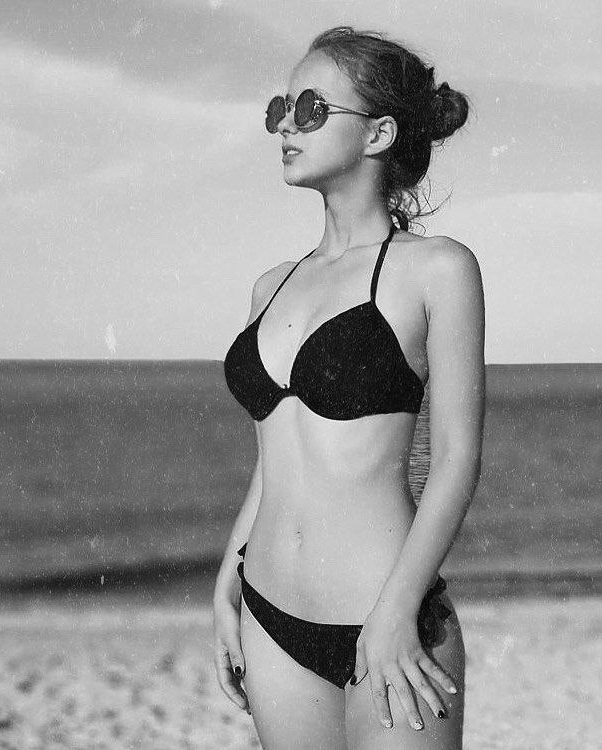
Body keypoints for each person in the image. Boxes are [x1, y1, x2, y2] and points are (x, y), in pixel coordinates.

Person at [213, 25, 485, 750]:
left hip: (386, 615)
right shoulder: (270, 285)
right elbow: (275, 457)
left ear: (378, 134)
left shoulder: (437, 269)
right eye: (280, 110)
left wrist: (397, 611)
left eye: (310, 109)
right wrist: (226, 580)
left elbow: (456, 460)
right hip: (268, 614)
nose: (286, 127)